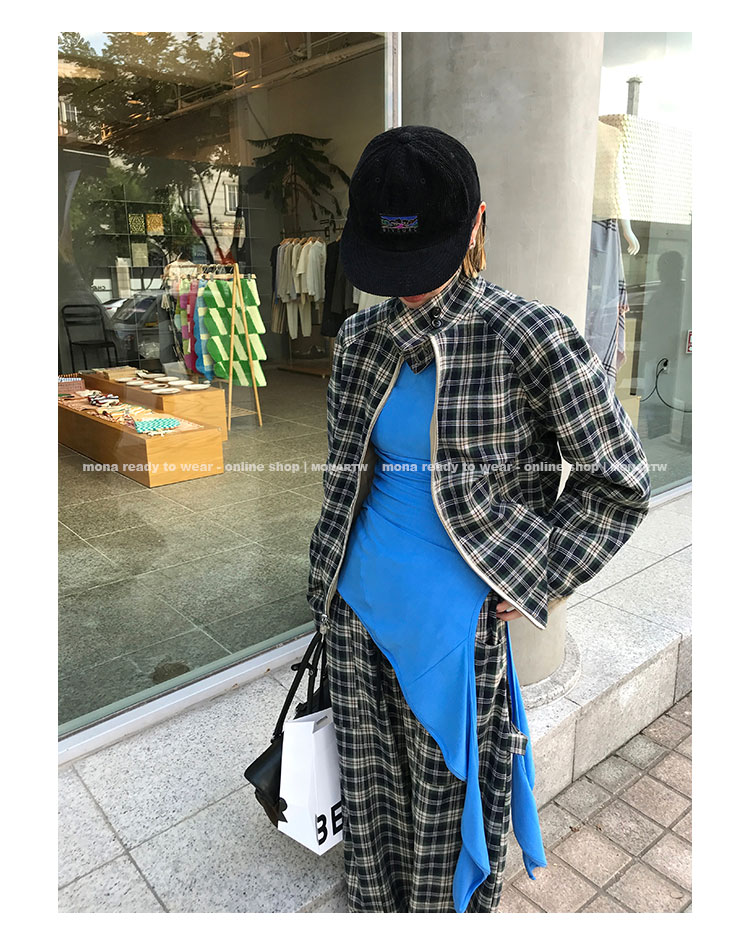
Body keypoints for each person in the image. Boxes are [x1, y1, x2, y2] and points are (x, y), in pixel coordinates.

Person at [307, 125, 651, 913]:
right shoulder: (359, 338)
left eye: (420, 261)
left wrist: (536, 574)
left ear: (477, 227)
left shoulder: (529, 334)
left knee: (446, 802)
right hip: (355, 605)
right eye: (389, 263)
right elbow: (346, 474)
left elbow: (619, 483)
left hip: (455, 623)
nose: (406, 287)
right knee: (370, 792)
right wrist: (324, 580)